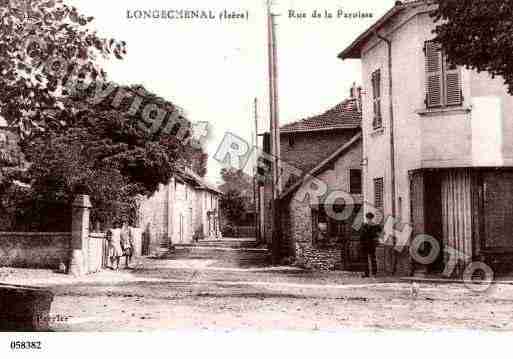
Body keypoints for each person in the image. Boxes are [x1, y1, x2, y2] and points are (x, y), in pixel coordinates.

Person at [360, 212, 381, 277]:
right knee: (371, 259)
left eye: (368, 218)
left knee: (368, 259)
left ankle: (369, 273)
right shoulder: (375, 226)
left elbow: (362, 236)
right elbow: (379, 233)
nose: (368, 219)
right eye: (368, 218)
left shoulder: (365, 226)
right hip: (370, 244)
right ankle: (373, 273)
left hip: (366, 244)